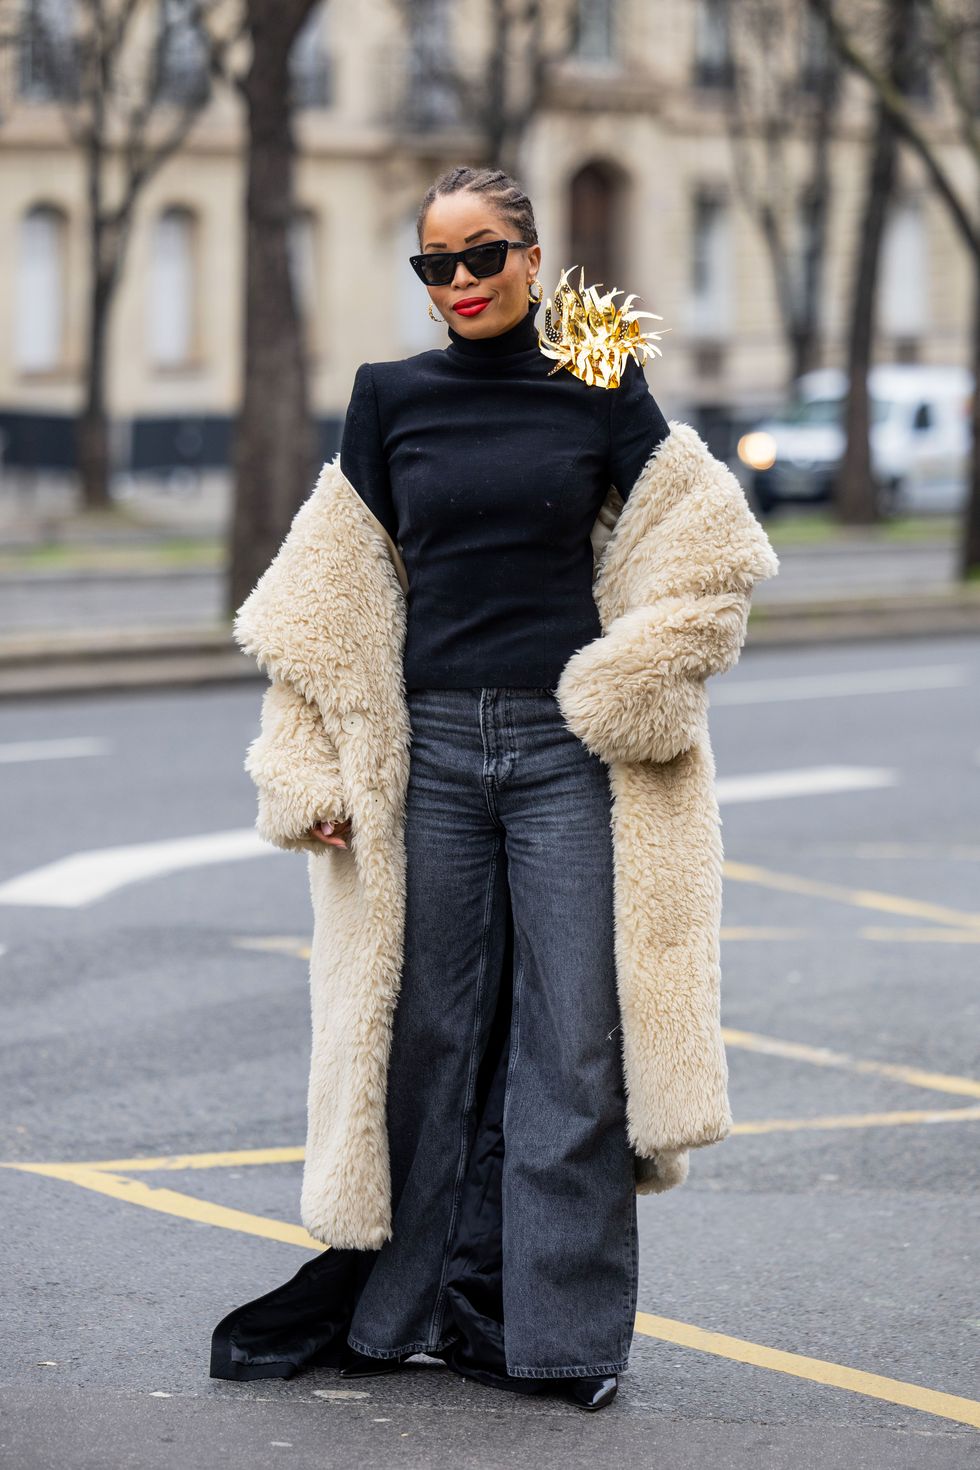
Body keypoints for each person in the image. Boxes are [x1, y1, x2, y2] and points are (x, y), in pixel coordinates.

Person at [210, 165, 780, 1413]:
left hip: (566, 750)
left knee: (574, 1047)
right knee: (420, 1042)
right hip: (427, 759)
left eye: (482, 256)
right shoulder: (389, 400)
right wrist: (307, 767)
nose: (459, 283)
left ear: (532, 258)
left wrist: (630, 679)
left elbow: (705, 544)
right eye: (435, 264)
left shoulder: (595, 381)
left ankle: (563, 1339)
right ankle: (413, 1306)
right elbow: (325, 604)